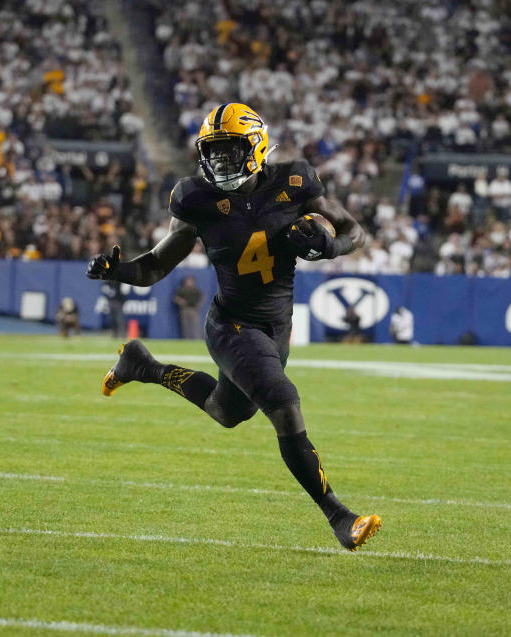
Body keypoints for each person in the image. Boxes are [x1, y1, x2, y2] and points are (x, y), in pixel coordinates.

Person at [86, 103, 380, 551]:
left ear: (257, 147)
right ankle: (340, 516)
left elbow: (354, 231)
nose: (220, 162)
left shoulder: (296, 179)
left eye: (230, 151)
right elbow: (155, 267)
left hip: (277, 326)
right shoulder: (194, 198)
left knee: (229, 412)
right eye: (213, 152)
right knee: (283, 403)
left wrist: (330, 247)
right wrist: (118, 270)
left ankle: (142, 365)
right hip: (231, 325)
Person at [173, 275, 204, 339]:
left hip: (194, 310)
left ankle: (197, 340)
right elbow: (175, 298)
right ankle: (186, 340)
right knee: (185, 326)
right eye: (188, 281)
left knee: (195, 326)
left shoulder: (196, 290)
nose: (189, 282)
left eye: (190, 281)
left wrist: (199, 305)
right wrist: (180, 301)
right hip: (184, 309)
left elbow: (202, 297)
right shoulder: (181, 289)